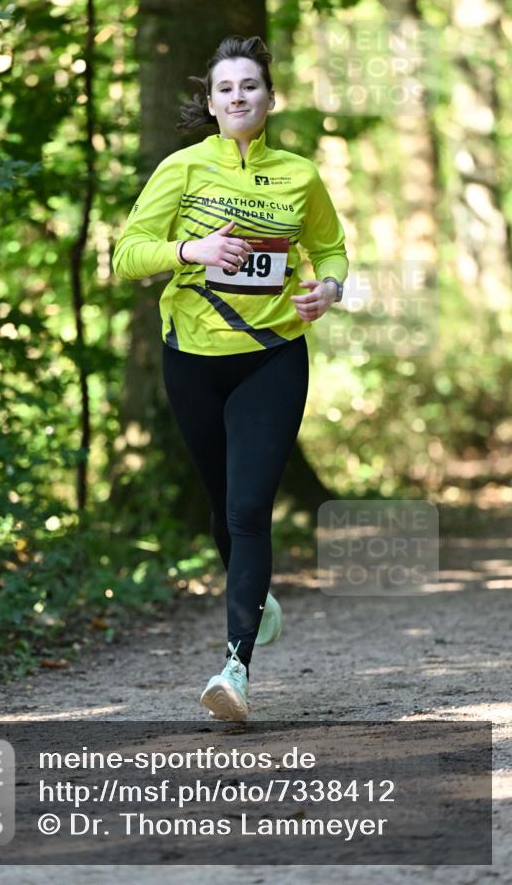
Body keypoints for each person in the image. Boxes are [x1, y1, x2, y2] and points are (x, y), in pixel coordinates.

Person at [112, 35, 348, 721]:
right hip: (191, 356)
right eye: (226, 88)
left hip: (272, 354)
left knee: (248, 509)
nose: (239, 96)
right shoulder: (180, 170)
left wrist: (327, 287)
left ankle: (235, 668)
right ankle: (255, 595)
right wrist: (193, 248)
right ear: (210, 104)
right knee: (221, 507)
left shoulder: (300, 175)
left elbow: (328, 244)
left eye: (251, 86)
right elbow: (127, 254)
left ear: (270, 99)